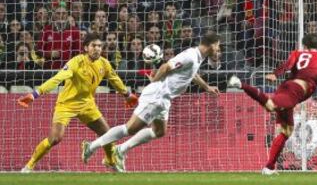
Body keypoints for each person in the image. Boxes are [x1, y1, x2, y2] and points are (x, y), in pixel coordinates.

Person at [81, 32, 221, 172]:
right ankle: (91, 146)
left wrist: (206, 87)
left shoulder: (197, 57)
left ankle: (120, 150)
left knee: (159, 131)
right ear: (212, 45)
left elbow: (191, 73)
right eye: (218, 46)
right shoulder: (190, 55)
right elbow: (166, 67)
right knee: (129, 129)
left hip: (165, 99)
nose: (218, 49)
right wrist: (154, 84)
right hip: (157, 95)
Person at [17, 33, 138, 173]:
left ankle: (111, 162)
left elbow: (114, 79)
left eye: (99, 46)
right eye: (94, 46)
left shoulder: (104, 63)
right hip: (67, 104)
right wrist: (35, 94)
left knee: (107, 134)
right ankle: (28, 166)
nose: (97, 49)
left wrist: (127, 94)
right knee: (55, 138)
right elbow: (57, 78)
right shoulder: (76, 62)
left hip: (87, 105)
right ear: (86, 48)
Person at [228, 34, 317, 175]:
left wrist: (276, 74)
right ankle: (241, 84)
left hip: (287, 86)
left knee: (286, 131)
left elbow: (287, 65)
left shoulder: (297, 53)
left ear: (305, 46)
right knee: (270, 105)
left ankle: (269, 167)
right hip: (295, 92)